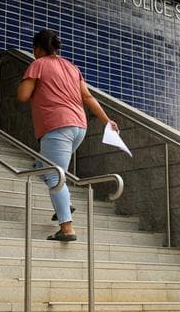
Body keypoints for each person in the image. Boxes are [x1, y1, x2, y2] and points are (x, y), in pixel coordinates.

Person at [16, 29, 116, 242]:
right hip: (79, 126)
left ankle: (67, 227)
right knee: (40, 167)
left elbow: (23, 95)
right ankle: (65, 202)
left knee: (54, 175)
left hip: (57, 126)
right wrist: (108, 121)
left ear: (37, 49)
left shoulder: (38, 65)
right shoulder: (72, 67)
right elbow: (87, 97)